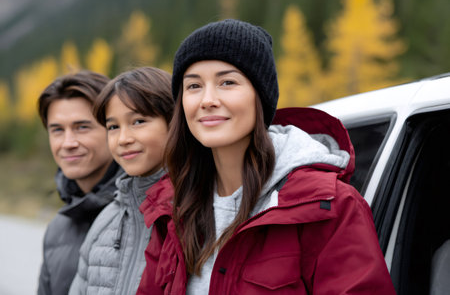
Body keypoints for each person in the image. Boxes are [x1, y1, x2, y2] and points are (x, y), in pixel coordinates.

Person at [136, 19, 397, 295]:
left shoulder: (329, 207)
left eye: (227, 82)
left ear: (260, 97)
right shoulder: (172, 208)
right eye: (193, 86)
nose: (207, 99)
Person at [68, 66, 174, 295]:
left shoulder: (199, 210)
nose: (123, 139)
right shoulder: (106, 221)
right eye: (113, 127)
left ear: (174, 123)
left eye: (138, 121)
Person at [37, 71, 123, 295]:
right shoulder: (57, 228)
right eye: (57, 130)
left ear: (114, 129)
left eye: (82, 127)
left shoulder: (149, 214)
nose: (68, 143)